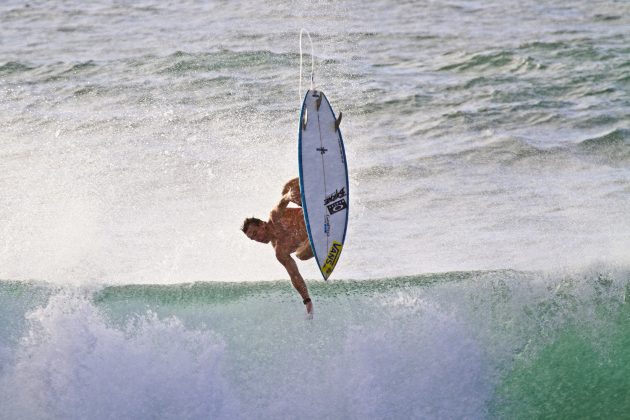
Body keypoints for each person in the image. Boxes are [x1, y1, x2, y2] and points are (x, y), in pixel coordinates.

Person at [241, 178, 314, 316]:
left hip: (309, 214)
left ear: (262, 224)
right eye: (253, 238)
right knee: (301, 255)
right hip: (313, 237)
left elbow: (281, 203)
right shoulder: (280, 251)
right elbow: (294, 275)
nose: (257, 238)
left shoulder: (275, 217)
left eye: (256, 233)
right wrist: (307, 300)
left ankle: (309, 183)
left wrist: (288, 195)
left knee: (286, 188)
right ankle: (320, 238)